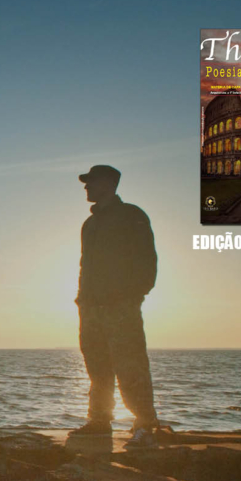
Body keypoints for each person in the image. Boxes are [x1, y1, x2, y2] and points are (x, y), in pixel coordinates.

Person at [71, 165, 160, 446]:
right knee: (97, 366)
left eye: (91, 182)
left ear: (108, 184)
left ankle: (145, 425)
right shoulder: (91, 224)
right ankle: (99, 422)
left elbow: (147, 259)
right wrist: (82, 299)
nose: (86, 188)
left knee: (130, 364)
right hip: (91, 306)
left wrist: (133, 295)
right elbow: (86, 265)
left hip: (120, 306)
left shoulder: (131, 216)